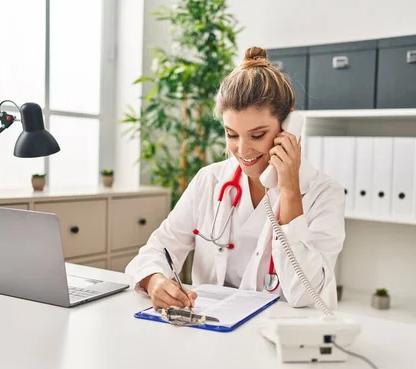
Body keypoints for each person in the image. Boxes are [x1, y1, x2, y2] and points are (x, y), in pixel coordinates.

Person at [126, 46, 345, 311]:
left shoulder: (324, 193)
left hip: (277, 339)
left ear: (288, 128)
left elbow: (305, 294)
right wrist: (154, 280)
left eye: (256, 135)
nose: (242, 151)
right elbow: (158, 247)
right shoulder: (210, 180)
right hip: (211, 332)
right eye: (232, 135)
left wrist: (289, 192)